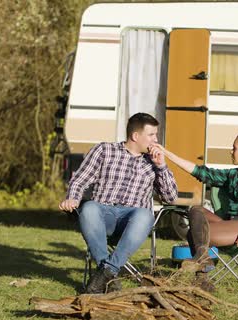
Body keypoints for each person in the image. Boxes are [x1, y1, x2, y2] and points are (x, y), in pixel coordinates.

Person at [59, 112, 178, 294]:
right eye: (152, 135)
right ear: (135, 136)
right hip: (103, 215)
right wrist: (73, 198)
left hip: (132, 222)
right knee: (89, 207)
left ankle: (106, 273)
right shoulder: (104, 150)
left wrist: (161, 166)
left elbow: (170, 198)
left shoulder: (154, 162)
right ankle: (109, 274)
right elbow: (79, 180)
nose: (156, 140)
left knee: (146, 214)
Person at [158, 132, 238, 273]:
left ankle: (202, 274)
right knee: (196, 210)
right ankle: (203, 263)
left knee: (195, 233)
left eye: (234, 148)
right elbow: (200, 172)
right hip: (229, 223)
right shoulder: (233, 175)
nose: (231, 151)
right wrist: (166, 153)